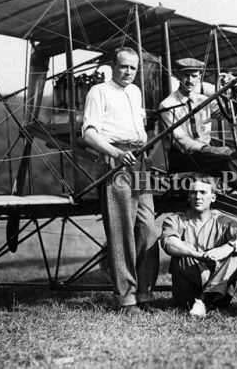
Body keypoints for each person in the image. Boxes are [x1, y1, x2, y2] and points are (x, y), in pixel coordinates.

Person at [82, 47, 159, 314]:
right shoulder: (99, 92)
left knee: (148, 226)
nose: (128, 72)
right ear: (113, 67)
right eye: (124, 67)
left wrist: (145, 149)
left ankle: (146, 293)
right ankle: (127, 298)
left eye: (133, 68)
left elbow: (140, 127)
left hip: (140, 160)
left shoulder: (135, 92)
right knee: (121, 228)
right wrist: (116, 153)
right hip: (115, 160)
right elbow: (89, 134)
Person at [158, 57, 237, 213]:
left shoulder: (203, 100)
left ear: (200, 77)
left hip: (203, 157)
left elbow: (233, 113)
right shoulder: (167, 105)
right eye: (186, 75)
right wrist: (209, 149)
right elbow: (180, 141)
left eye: (194, 76)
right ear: (178, 76)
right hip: (183, 158)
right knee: (226, 163)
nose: (190, 80)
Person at [160, 175, 237, 317]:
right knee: (183, 247)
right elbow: (168, 243)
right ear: (188, 197)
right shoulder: (176, 219)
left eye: (203, 193)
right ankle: (203, 300)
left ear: (213, 198)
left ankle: (204, 301)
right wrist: (197, 254)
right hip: (187, 295)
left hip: (219, 294)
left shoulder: (223, 221)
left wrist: (225, 249)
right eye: (193, 192)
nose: (197, 197)